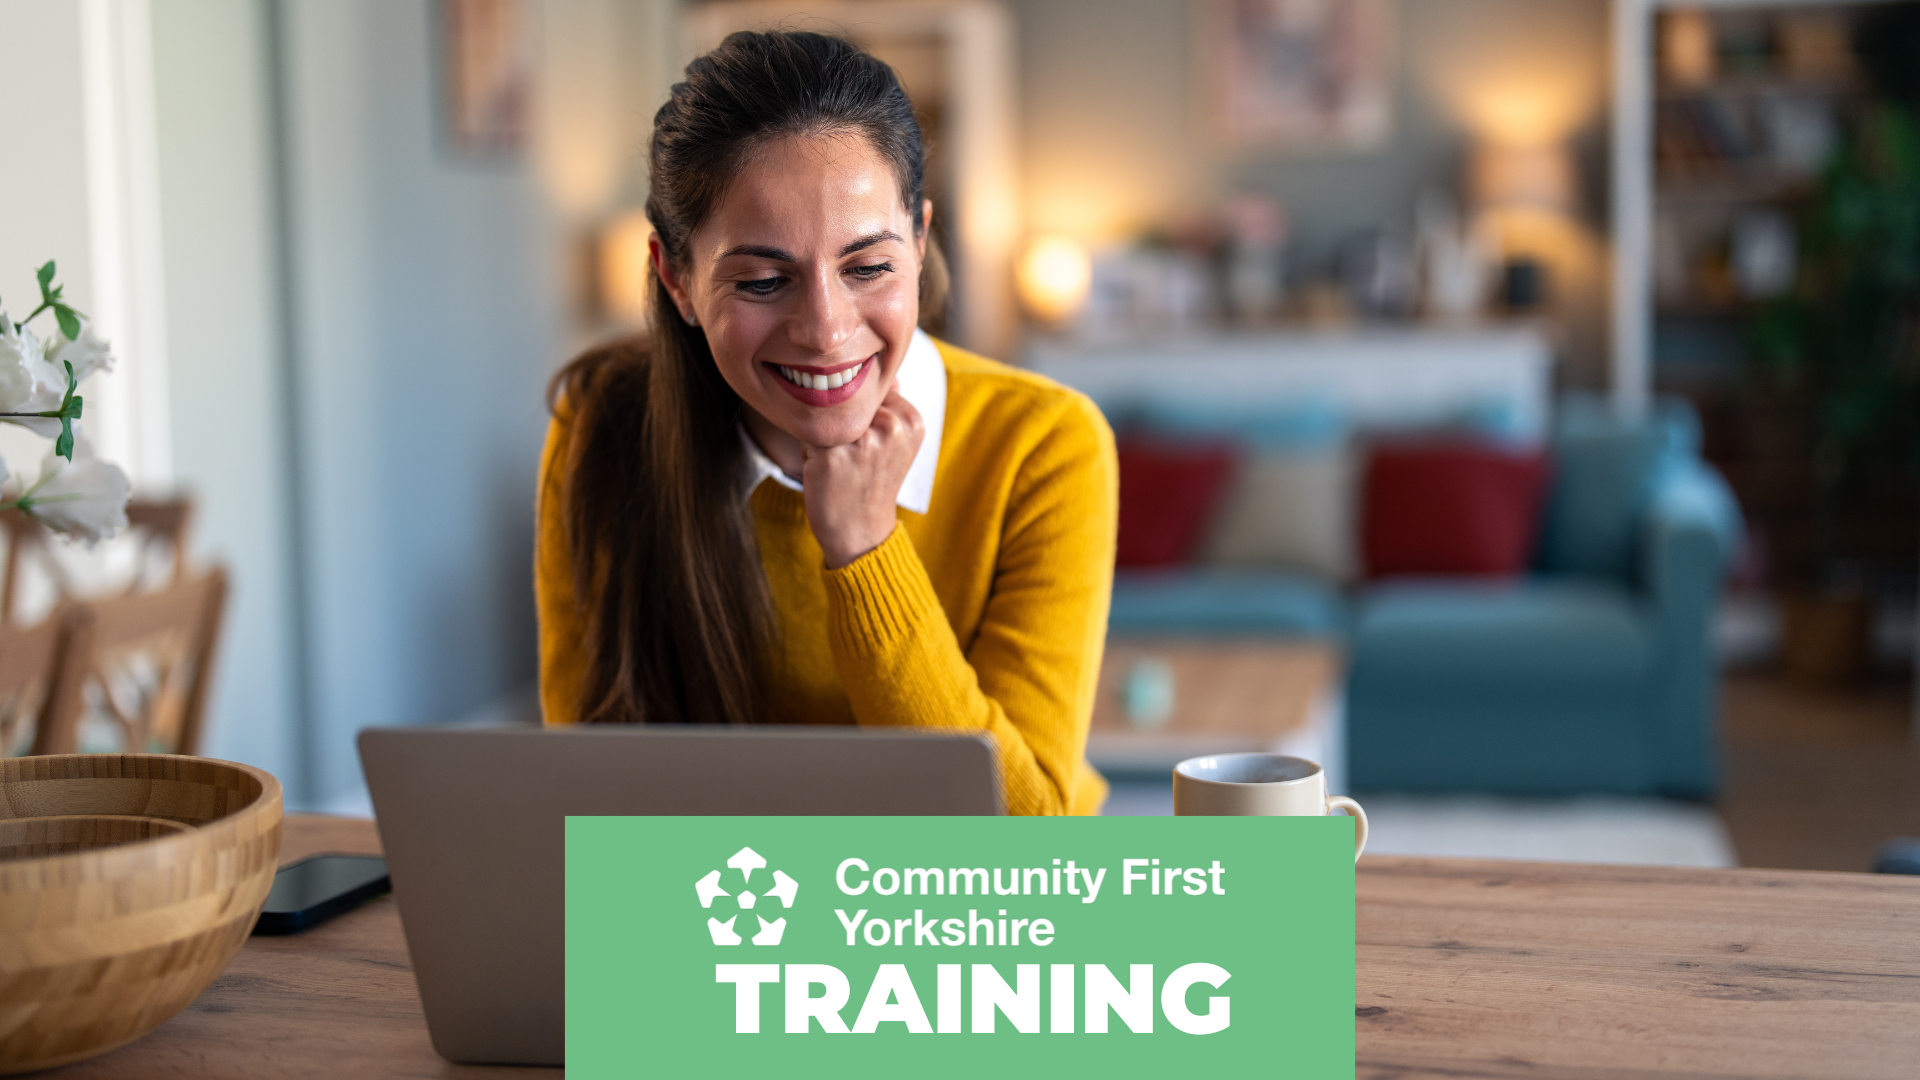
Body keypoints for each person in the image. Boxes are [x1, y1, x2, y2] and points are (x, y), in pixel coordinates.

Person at [535, 30, 1116, 816]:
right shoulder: (601, 424)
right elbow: (591, 794)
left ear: (918, 240)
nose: (827, 330)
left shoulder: (1044, 444)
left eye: (868, 266)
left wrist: (867, 550)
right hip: (735, 907)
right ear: (675, 278)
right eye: (765, 279)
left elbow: (1022, 839)